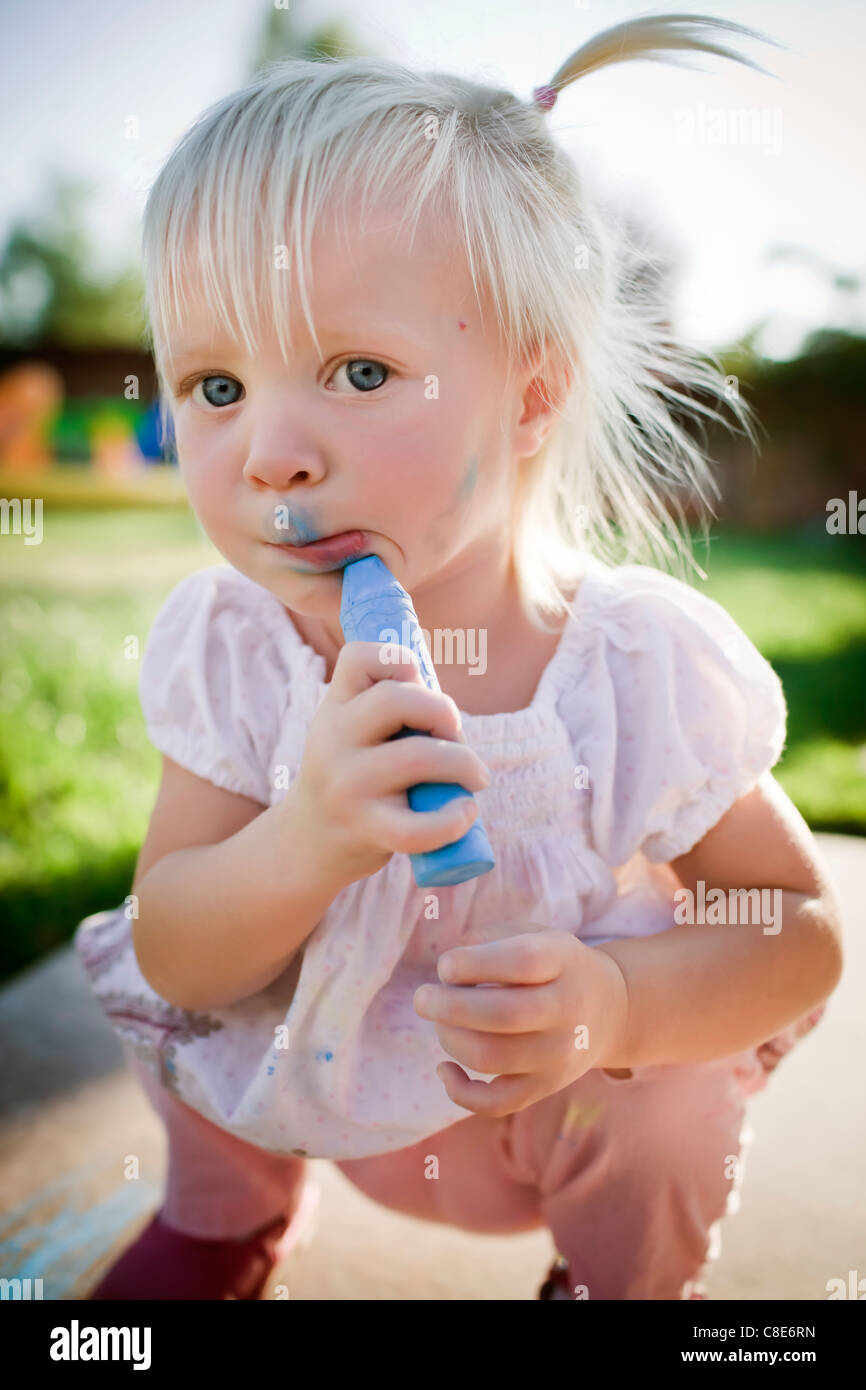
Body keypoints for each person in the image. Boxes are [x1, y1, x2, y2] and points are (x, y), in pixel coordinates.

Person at [75, 13, 842, 1301]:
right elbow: (177, 946)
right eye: (215, 386)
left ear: (532, 397)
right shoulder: (239, 645)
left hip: (541, 1108)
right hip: (295, 1069)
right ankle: (229, 1219)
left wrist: (614, 1005)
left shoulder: (629, 668)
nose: (269, 453)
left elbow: (797, 930)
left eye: (358, 369)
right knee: (185, 1036)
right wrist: (304, 837)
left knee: (667, 1110)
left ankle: (617, 1283)